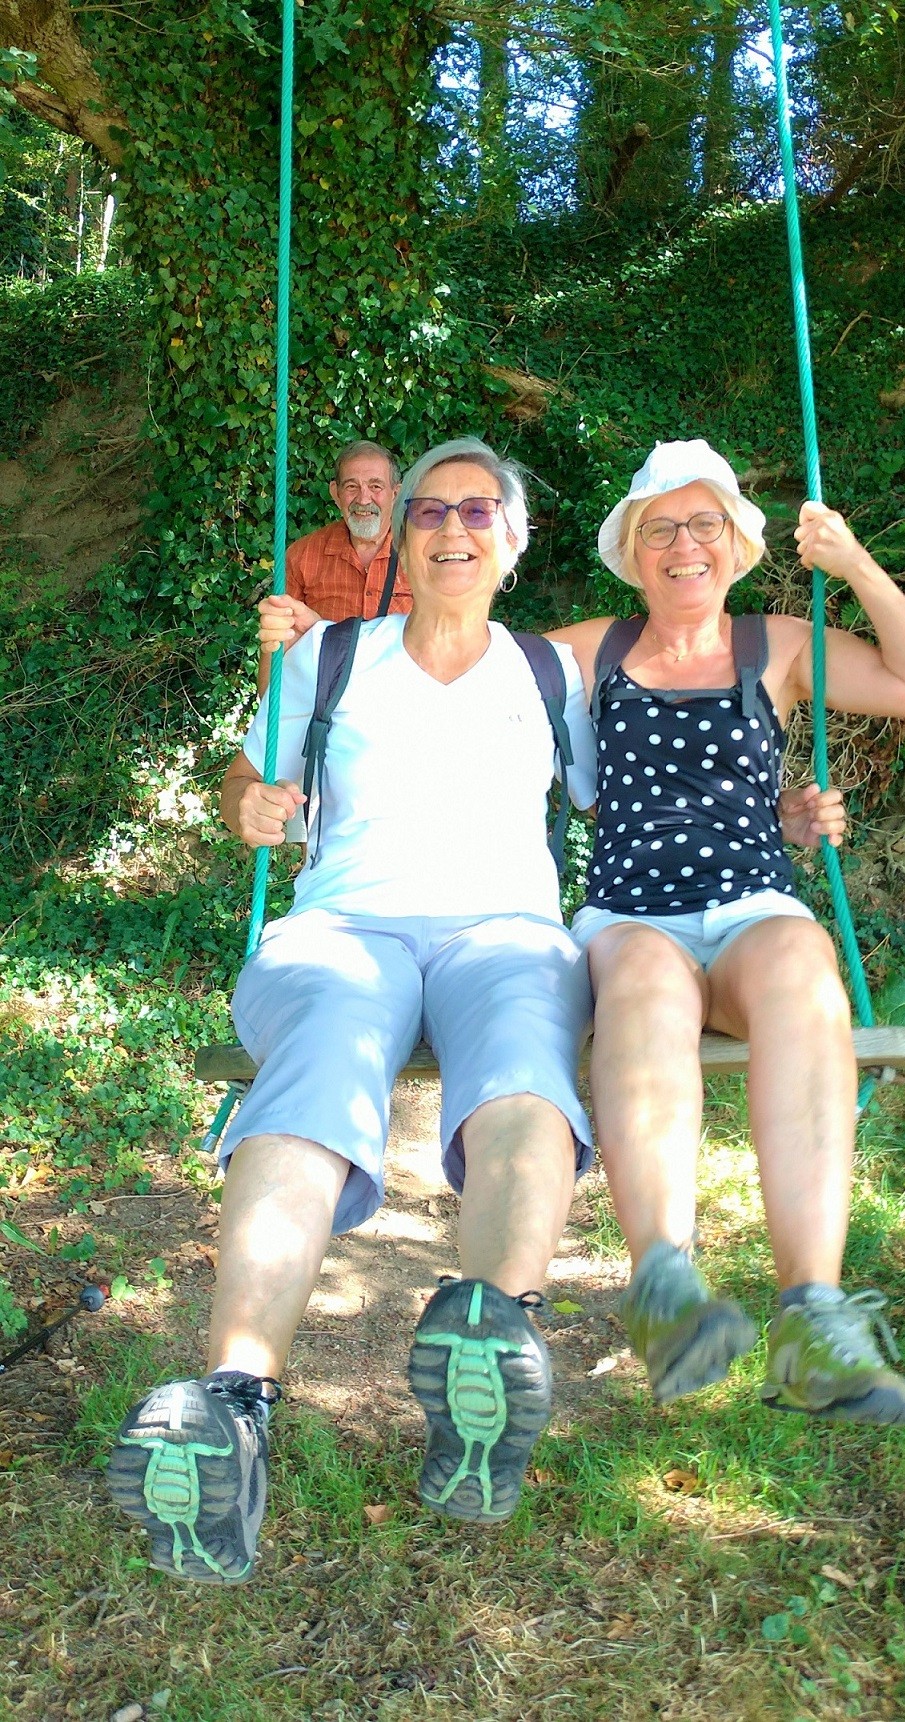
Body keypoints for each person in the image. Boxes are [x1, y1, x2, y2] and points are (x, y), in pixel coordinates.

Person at [107, 439, 597, 1582]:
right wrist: (252, 805)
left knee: (527, 1057)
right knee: (321, 1050)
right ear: (402, 540)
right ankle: (235, 1403)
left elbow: (633, 796)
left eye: (479, 510)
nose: (450, 528)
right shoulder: (326, 655)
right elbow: (246, 780)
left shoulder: (549, 675)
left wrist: (782, 809)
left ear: (513, 542)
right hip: (344, 930)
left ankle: (492, 1349)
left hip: (505, 928)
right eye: (428, 510)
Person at [548, 439, 905, 1425]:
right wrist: (325, 640)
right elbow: (453, 663)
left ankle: (812, 1321)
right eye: (660, 528)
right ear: (631, 551)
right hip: (628, 912)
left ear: (736, 545)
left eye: (704, 525)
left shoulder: (774, 644)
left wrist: (854, 566)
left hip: (749, 910)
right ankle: (664, 1292)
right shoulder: (587, 649)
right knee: (642, 984)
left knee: (800, 963)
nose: (683, 545)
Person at [257, 439, 411, 693]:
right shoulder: (303, 555)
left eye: (376, 486)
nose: (363, 498)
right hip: (326, 703)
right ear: (335, 493)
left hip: (400, 697)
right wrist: (270, 718)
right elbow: (279, 638)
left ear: (395, 493)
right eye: (352, 486)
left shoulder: (422, 554)